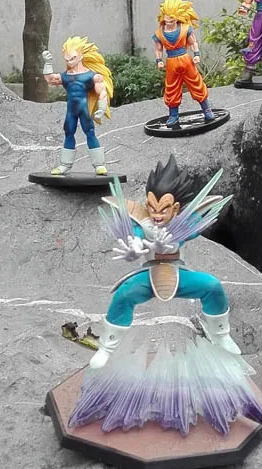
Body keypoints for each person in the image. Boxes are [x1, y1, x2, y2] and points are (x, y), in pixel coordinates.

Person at [90, 155, 241, 369]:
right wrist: (135, 248)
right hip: (148, 275)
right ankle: (107, 347)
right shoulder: (142, 222)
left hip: (176, 273)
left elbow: (188, 231)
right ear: (146, 204)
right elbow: (136, 237)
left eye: (164, 209)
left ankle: (221, 335)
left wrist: (166, 242)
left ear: (176, 208)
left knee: (212, 286)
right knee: (124, 295)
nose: (157, 215)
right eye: (152, 207)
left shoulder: (182, 223)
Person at [43, 37, 113, 175]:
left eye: (72, 58)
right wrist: (48, 63)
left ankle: (99, 165)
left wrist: (101, 108)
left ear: (81, 56)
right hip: (71, 111)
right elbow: (50, 79)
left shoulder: (92, 76)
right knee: (69, 133)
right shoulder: (65, 76)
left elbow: (102, 92)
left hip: (84, 109)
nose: (69, 62)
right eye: (67, 59)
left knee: (90, 132)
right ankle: (65, 165)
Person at [153, 0, 215, 128]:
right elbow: (158, 49)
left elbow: (193, 43)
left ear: (178, 17)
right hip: (171, 62)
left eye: (172, 19)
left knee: (196, 84)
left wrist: (196, 54)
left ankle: (206, 109)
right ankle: (173, 115)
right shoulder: (159, 33)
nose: (169, 21)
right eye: (166, 18)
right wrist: (159, 60)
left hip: (186, 60)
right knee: (171, 88)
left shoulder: (186, 28)